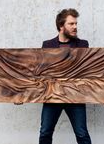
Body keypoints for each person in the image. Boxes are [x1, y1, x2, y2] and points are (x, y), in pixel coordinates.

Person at [39, 8, 92, 144]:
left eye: (76, 24)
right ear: (61, 26)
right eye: (71, 24)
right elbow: (40, 73)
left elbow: (91, 72)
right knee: (45, 132)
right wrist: (19, 94)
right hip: (53, 96)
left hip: (75, 96)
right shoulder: (48, 45)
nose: (75, 27)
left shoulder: (82, 45)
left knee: (82, 134)